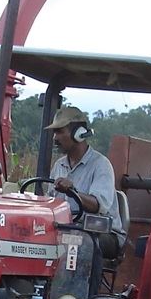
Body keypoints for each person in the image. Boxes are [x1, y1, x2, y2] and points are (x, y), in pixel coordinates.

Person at [45, 106, 125, 257]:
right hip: (69, 228)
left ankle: (83, 282)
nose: (55, 138)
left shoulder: (101, 165)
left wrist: (72, 190)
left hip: (102, 232)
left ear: (78, 134)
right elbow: (50, 202)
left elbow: (97, 205)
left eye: (60, 131)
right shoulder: (59, 165)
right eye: (54, 132)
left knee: (79, 242)